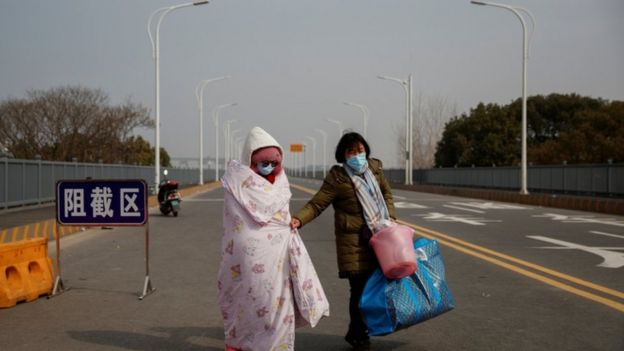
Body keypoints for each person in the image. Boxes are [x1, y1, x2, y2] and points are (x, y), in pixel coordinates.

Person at [218, 127, 329, 351]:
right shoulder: (236, 182)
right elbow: (235, 221)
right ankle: (242, 343)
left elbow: (282, 218)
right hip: (246, 258)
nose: (269, 167)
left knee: (277, 303)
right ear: (251, 160)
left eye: (274, 162)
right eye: (263, 162)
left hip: (278, 257)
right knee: (249, 299)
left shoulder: (280, 181)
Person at [290, 132, 396, 350]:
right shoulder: (338, 178)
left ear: (366, 150)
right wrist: (298, 219)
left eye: (360, 150)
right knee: (358, 290)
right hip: (354, 244)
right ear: (343, 155)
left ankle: (360, 330)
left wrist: (391, 217)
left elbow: (387, 194)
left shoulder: (375, 170)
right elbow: (317, 204)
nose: (357, 155)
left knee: (378, 286)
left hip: (382, 238)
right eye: (351, 151)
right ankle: (359, 333)